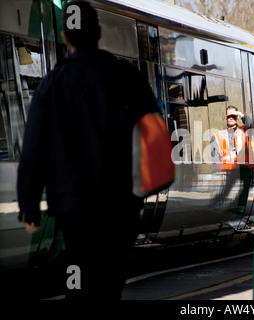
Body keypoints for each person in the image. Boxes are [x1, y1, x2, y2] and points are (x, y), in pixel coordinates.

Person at [17, 1, 159, 300]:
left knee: (78, 276)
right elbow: (154, 131)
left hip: (74, 208)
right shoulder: (127, 76)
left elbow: (34, 149)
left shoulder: (51, 84)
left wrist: (29, 206)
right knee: (110, 283)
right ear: (98, 31)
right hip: (121, 204)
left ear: (66, 38)